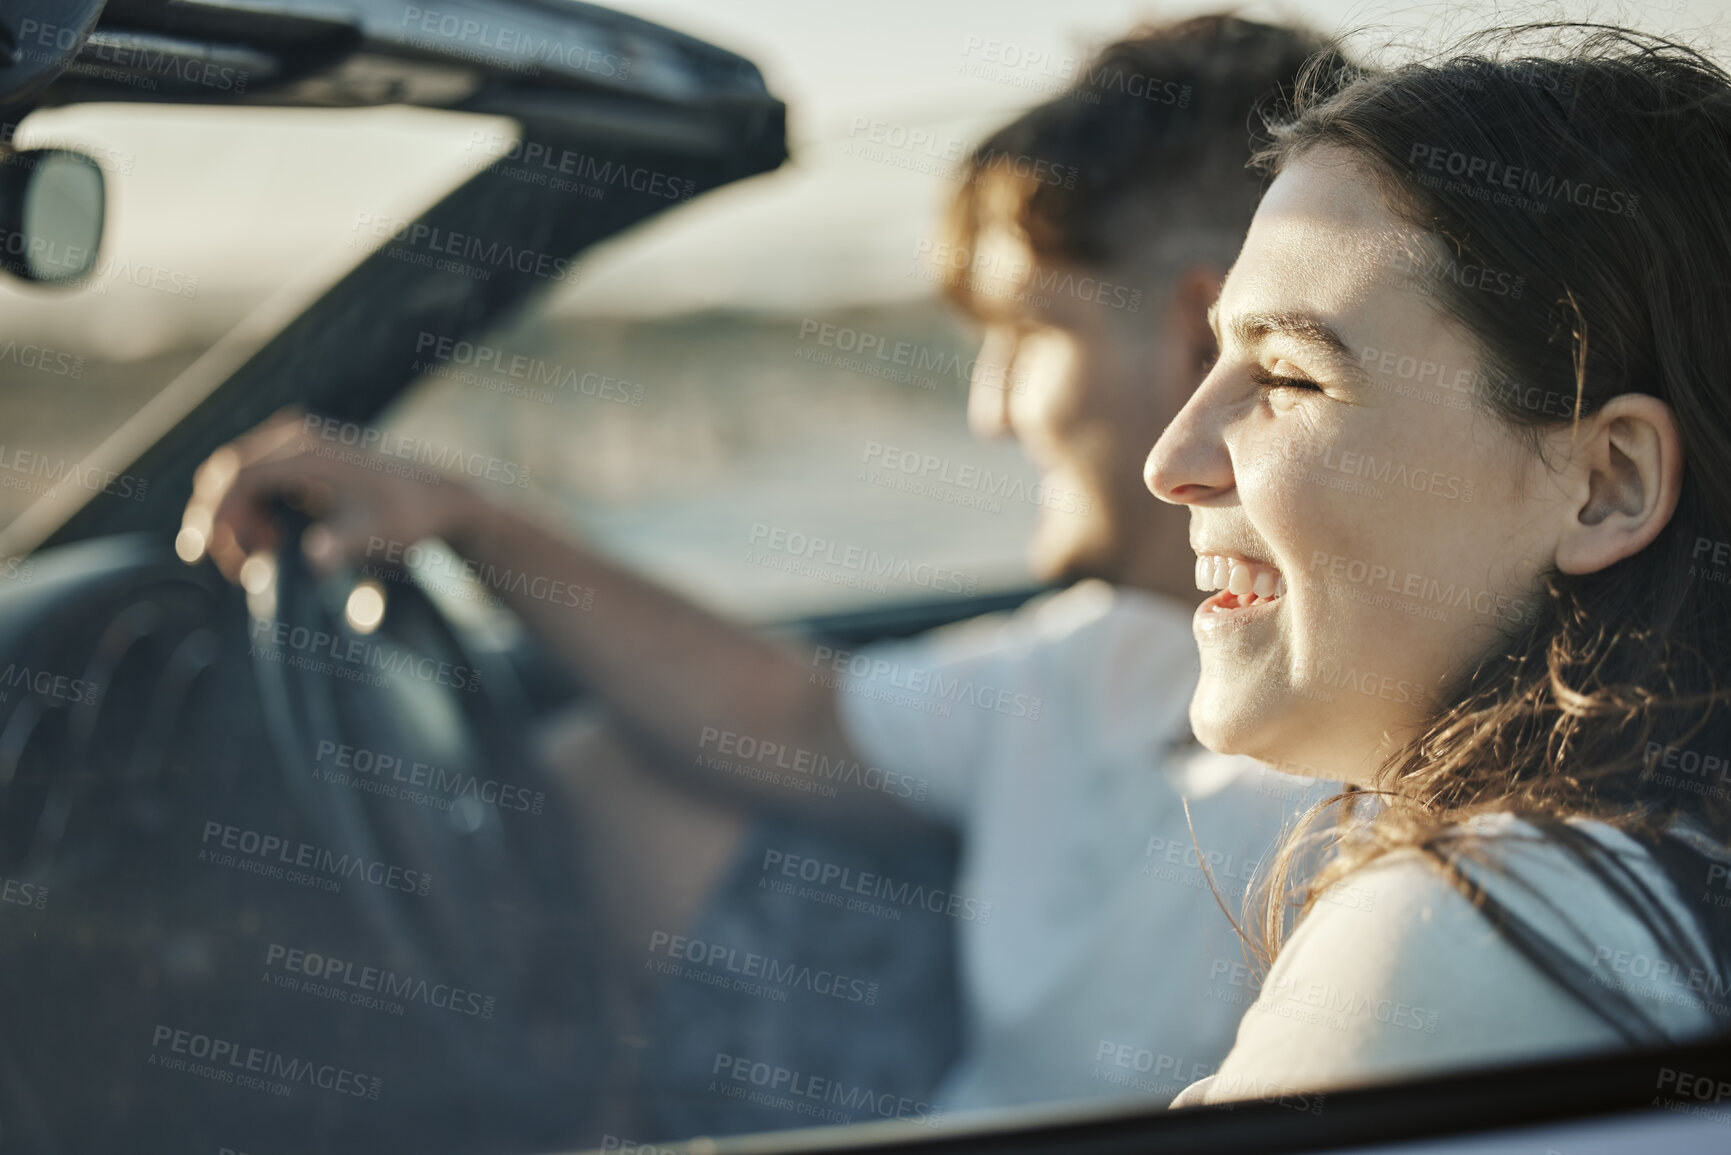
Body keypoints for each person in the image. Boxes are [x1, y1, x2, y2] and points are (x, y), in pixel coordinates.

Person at [181, 15, 1340, 1136]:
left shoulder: (1371, 801)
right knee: (602, 772)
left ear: (1201, 337)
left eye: (1031, 333)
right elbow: (788, 714)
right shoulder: (1107, 648)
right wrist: (471, 518)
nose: (990, 412)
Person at [1146, 26, 1731, 1108]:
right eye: (1212, 358)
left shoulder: (1483, 925)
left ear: (1606, 482)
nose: (1171, 460)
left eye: (1289, 376)